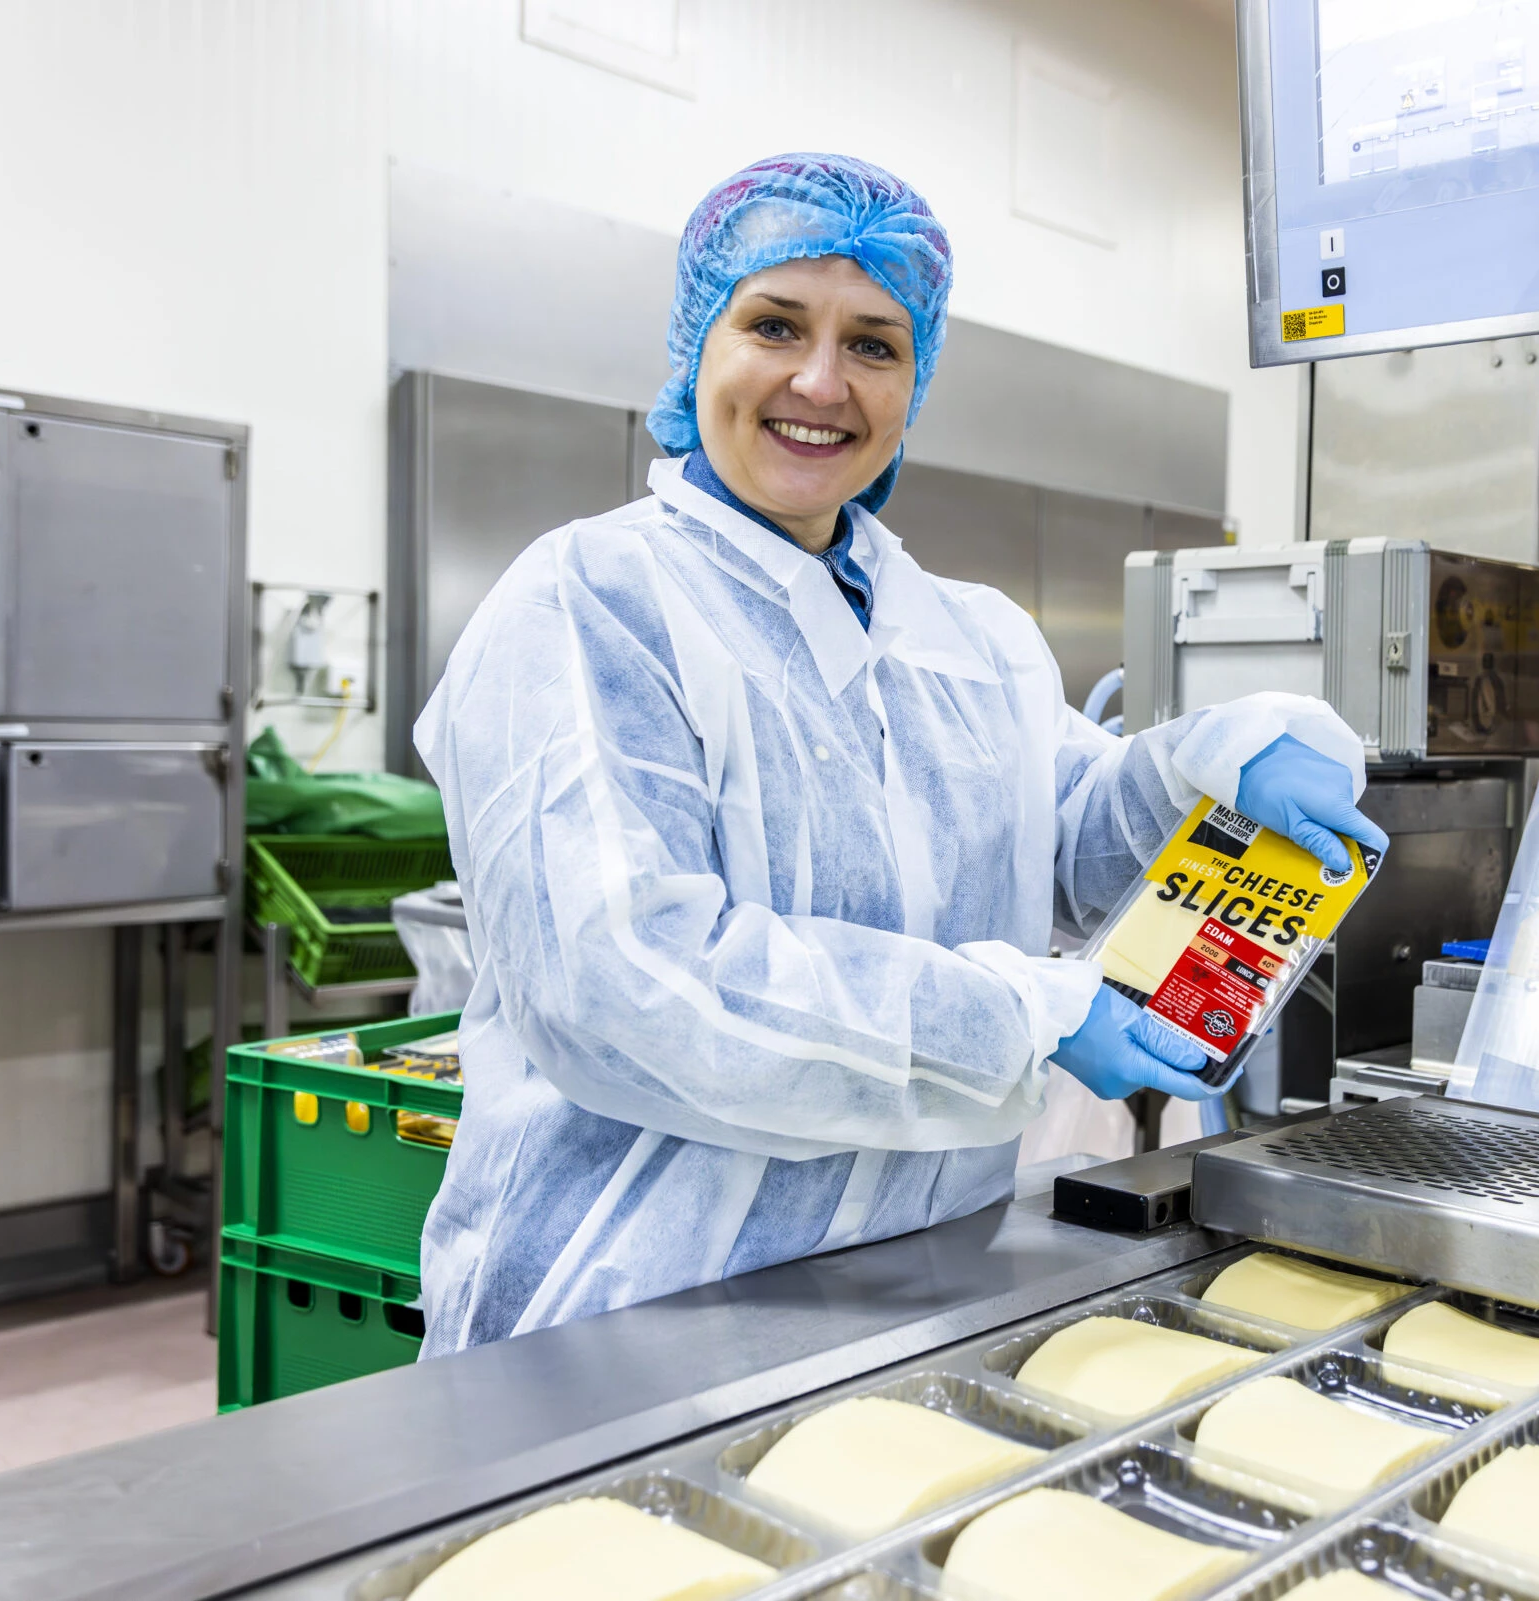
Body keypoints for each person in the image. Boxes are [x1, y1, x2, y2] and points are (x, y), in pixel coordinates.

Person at [412, 154, 1387, 1354]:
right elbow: (624, 984)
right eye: (775, 325)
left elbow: (1067, 836)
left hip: (928, 1285)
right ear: (695, 347)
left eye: (874, 343)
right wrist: (1018, 1012)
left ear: (914, 381)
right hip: (624, 1315)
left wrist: (1212, 766)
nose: (821, 381)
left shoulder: (966, 632)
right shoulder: (591, 603)